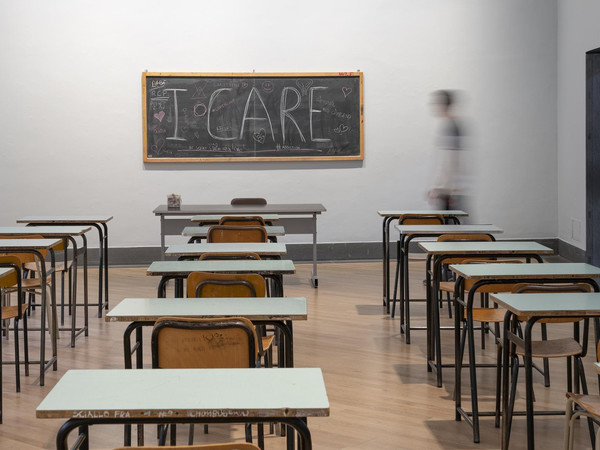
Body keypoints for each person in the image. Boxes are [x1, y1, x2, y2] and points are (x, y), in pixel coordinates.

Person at [428, 90, 468, 211]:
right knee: (451, 227)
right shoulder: (452, 124)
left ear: (444, 105)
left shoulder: (450, 126)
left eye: (436, 104)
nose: (434, 107)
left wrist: (440, 188)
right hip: (451, 191)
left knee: (451, 227)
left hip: (450, 193)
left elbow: (449, 161)